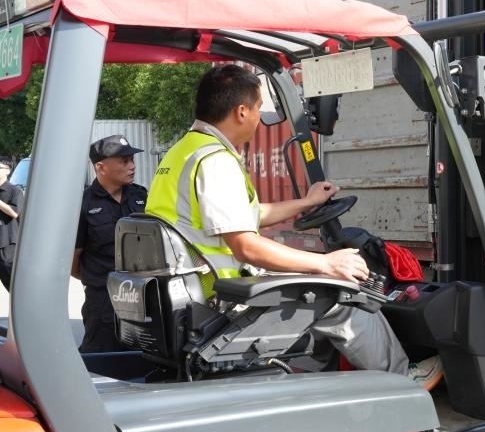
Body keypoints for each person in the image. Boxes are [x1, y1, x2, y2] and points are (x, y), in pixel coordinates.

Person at [146, 64, 442, 389]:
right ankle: (402, 380)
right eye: (258, 109)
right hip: (223, 298)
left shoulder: (182, 153)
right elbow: (246, 246)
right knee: (344, 296)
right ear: (241, 112)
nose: (259, 119)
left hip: (199, 293)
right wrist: (326, 263)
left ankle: (316, 387)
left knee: (318, 293)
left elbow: (246, 215)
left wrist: (306, 202)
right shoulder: (215, 161)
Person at [72, 136, 149, 352]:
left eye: (132, 160)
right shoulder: (83, 204)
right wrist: (99, 280)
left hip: (142, 296)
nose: (132, 166)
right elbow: (73, 260)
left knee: (144, 361)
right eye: (124, 161)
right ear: (101, 167)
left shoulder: (141, 196)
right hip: (104, 302)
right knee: (101, 360)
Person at [0, 159, 24, 292]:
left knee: (11, 281)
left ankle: (22, 303)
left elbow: (14, 212)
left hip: (7, 241)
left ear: (7, 171)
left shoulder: (15, 191)